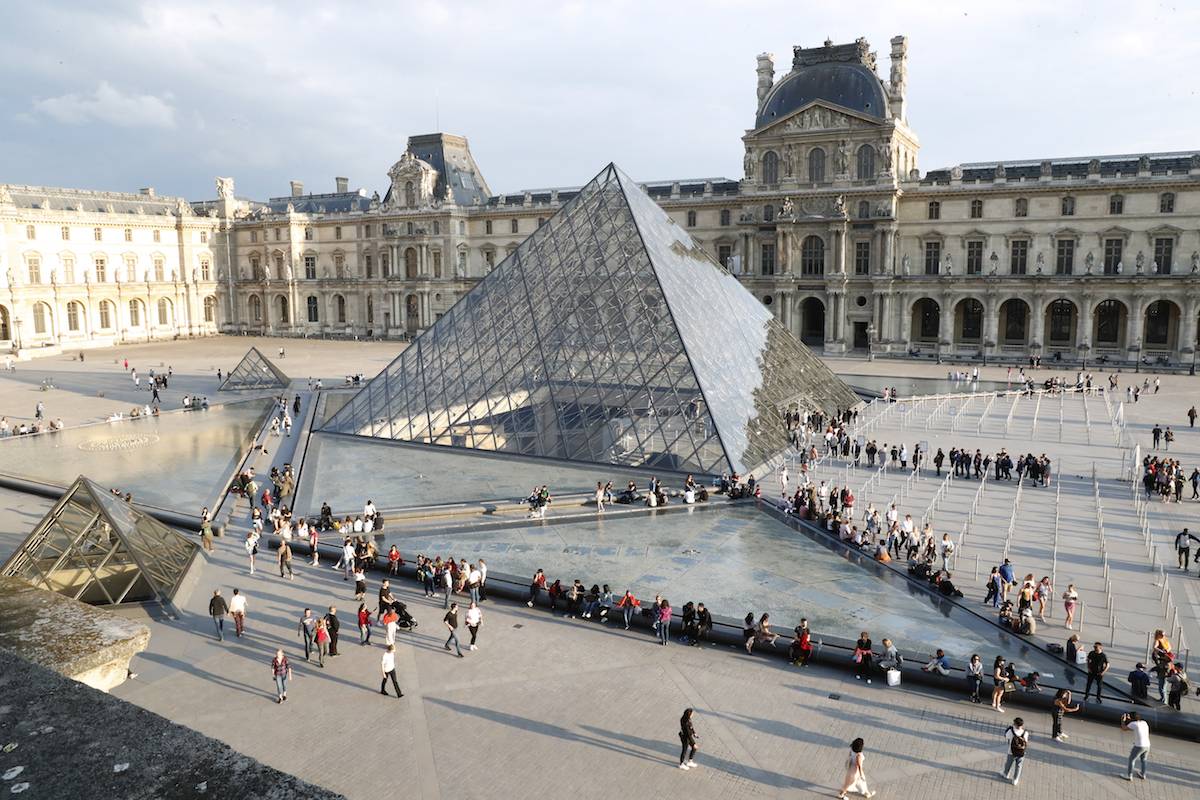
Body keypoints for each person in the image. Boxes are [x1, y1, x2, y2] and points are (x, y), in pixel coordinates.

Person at [1120, 712, 1150, 781]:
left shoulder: (1133, 724)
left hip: (1139, 746)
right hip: (1147, 745)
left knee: (1132, 759)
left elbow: (1124, 728)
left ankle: (1129, 775)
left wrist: (1123, 720)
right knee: (1144, 760)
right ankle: (1143, 774)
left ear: (1131, 718)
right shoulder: (1144, 722)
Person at [1002, 717, 1029, 786]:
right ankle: (1015, 779)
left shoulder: (1011, 731)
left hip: (1011, 751)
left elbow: (1006, 736)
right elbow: (1026, 741)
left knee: (1008, 763)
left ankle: (1006, 774)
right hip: (1021, 753)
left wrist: (1009, 728)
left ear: (1015, 724)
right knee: (1018, 766)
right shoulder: (1025, 733)